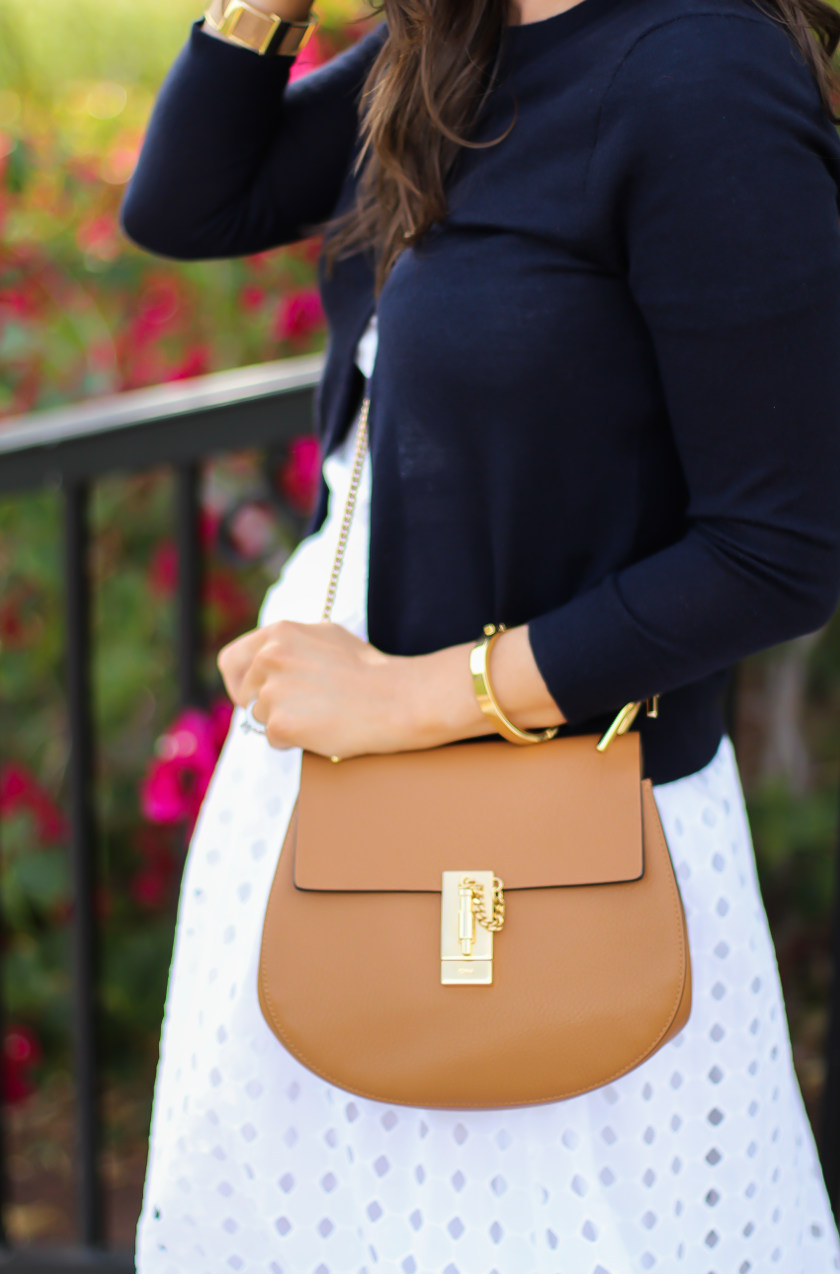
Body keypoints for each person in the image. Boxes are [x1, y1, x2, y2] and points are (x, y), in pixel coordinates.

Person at [122, 0, 840, 1263]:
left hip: (560, 836)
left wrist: (408, 699)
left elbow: (778, 551)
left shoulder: (701, 76)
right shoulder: (451, 41)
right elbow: (187, 204)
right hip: (322, 789)